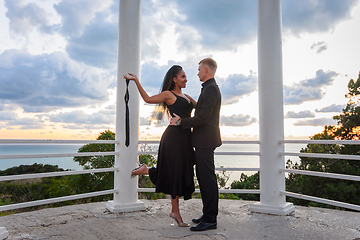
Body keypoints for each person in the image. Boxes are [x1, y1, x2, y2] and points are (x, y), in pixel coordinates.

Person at [125, 65, 196, 227]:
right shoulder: (168, 95)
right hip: (173, 138)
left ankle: (146, 170)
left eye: (186, 77)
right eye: (183, 76)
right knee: (174, 172)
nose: (186, 79)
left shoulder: (187, 96)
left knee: (179, 172)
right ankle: (175, 211)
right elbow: (148, 99)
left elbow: (203, 110)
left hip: (185, 139)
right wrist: (136, 80)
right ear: (174, 79)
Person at [170, 57, 222, 231]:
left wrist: (179, 122)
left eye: (199, 69)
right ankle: (207, 214)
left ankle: (210, 220)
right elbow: (204, 110)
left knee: (207, 180)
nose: (197, 72)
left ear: (206, 70)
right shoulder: (209, 89)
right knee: (204, 178)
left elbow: (202, 118)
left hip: (205, 141)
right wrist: (194, 102)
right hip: (204, 141)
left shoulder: (211, 89)